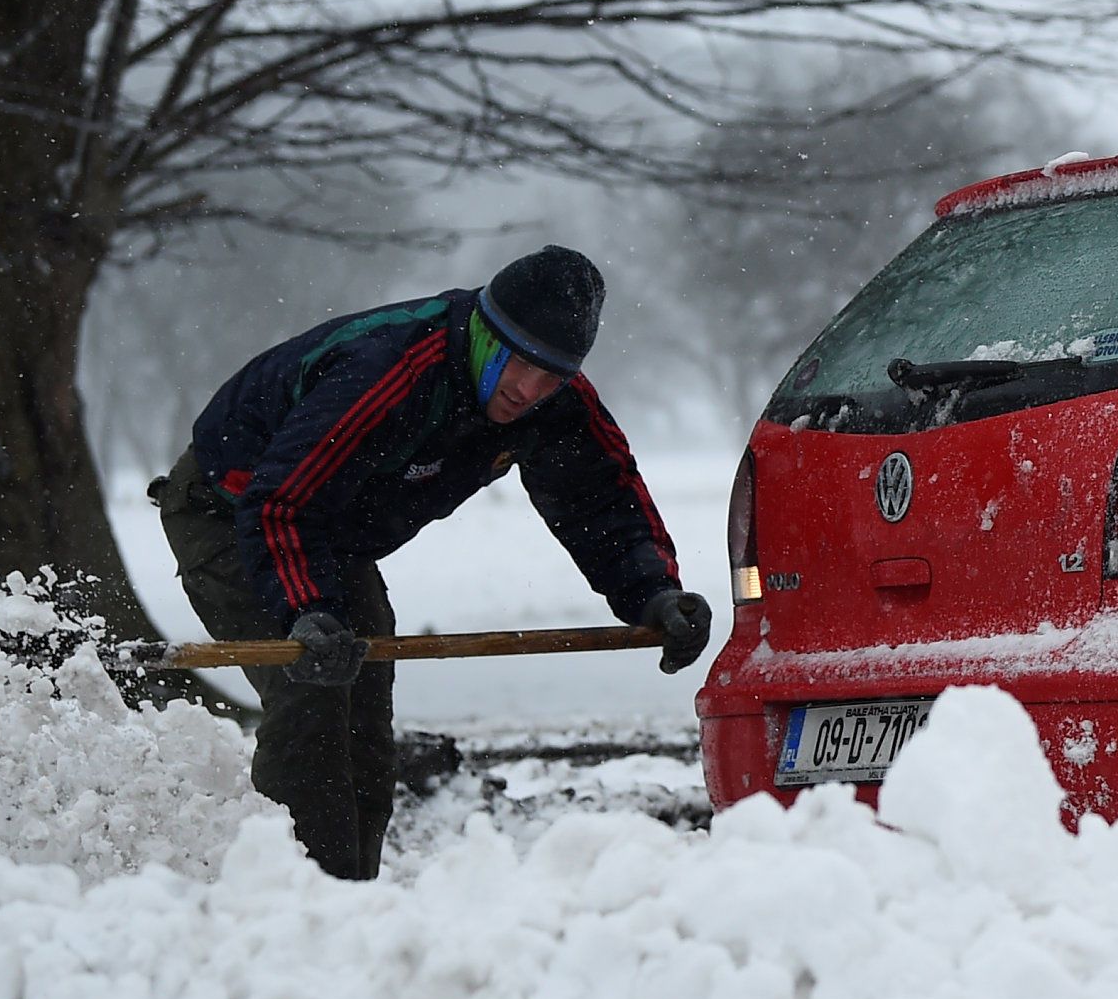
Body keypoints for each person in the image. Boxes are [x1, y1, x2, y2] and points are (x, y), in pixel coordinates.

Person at [152, 246, 713, 878]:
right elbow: (279, 505)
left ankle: (355, 895)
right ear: (484, 329)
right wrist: (306, 611)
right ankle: (299, 900)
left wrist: (655, 594)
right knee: (311, 696)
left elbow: (601, 500)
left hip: (327, 531)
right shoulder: (388, 370)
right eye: (518, 362)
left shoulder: (555, 404)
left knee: (364, 713)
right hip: (232, 511)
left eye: (551, 376)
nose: (529, 390)